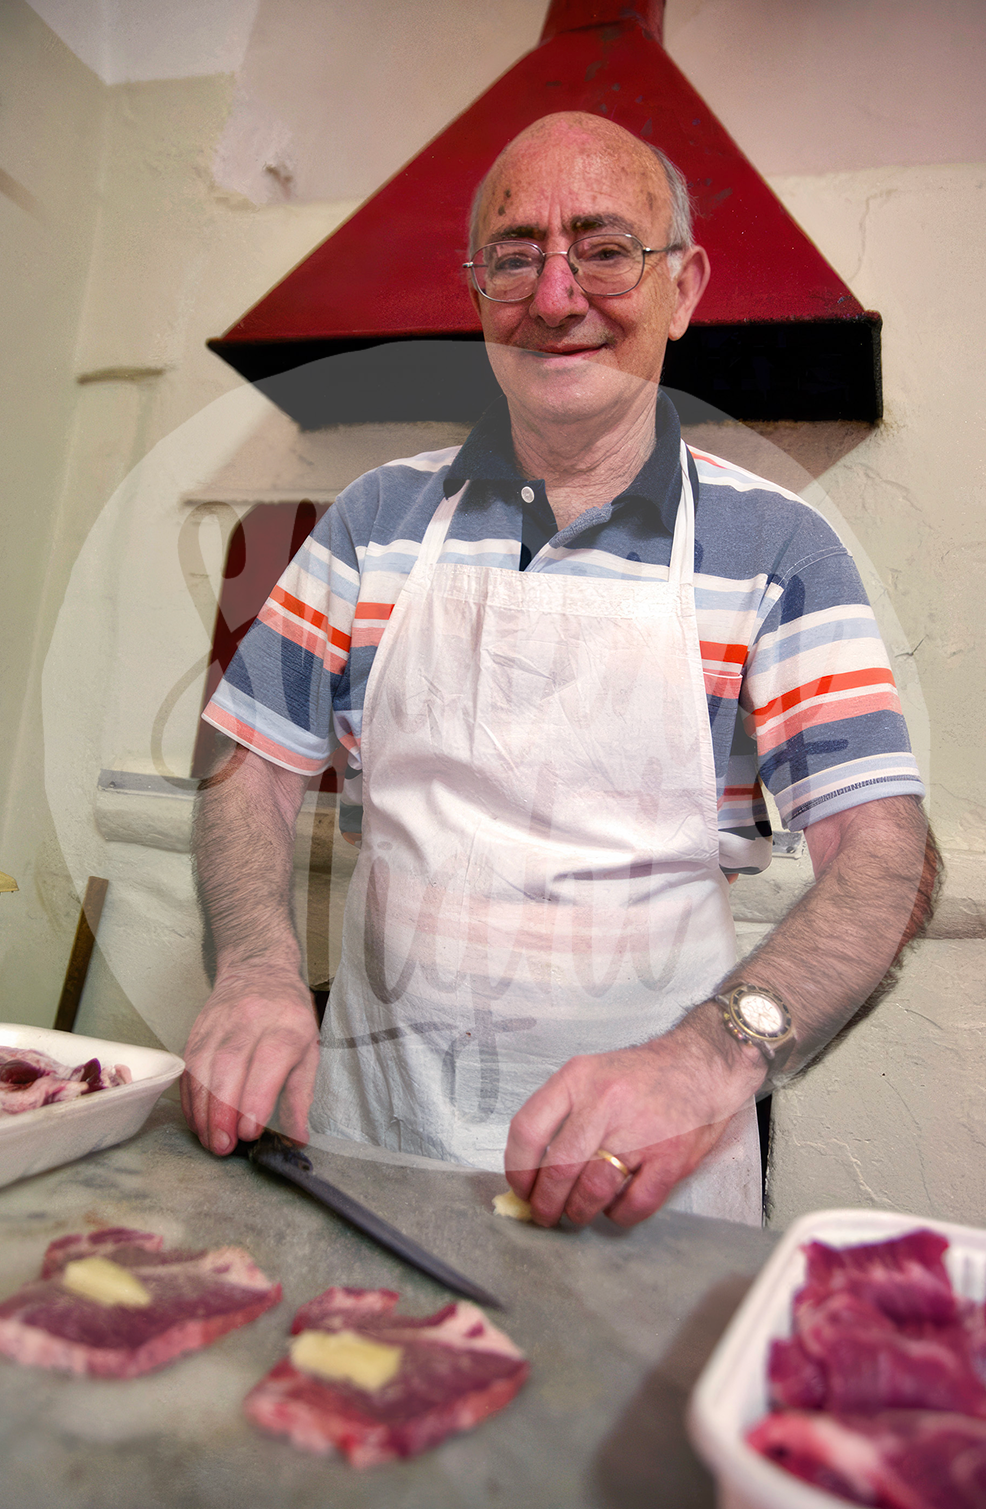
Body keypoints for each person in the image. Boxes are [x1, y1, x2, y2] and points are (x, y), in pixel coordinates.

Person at [181, 112, 936, 1228]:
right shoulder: (375, 520)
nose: (555, 295)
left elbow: (884, 858)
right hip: (371, 1145)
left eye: (604, 247)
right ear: (476, 290)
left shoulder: (777, 550)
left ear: (682, 289)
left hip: (648, 1185)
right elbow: (245, 771)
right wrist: (253, 967)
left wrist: (711, 1059)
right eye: (515, 254)